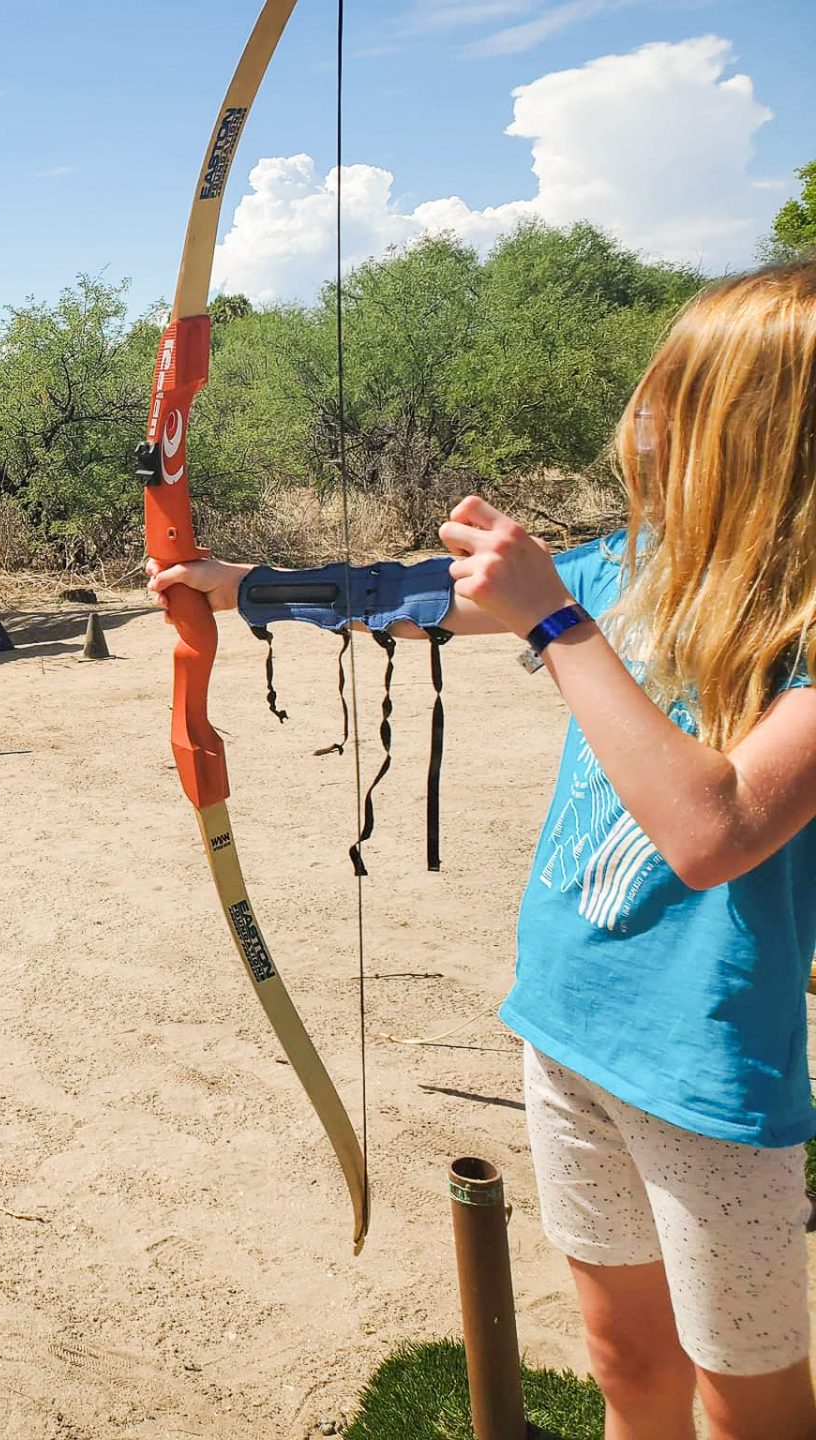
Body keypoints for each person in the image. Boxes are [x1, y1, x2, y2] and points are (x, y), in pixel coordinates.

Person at [147, 259, 816, 1440]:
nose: (641, 416)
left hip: (707, 1070)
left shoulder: (791, 629)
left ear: (753, 429)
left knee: (748, 1402)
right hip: (567, 1030)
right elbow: (403, 596)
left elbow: (713, 831)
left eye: (677, 394)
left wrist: (553, 617)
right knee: (626, 1365)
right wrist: (241, 586)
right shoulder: (630, 568)